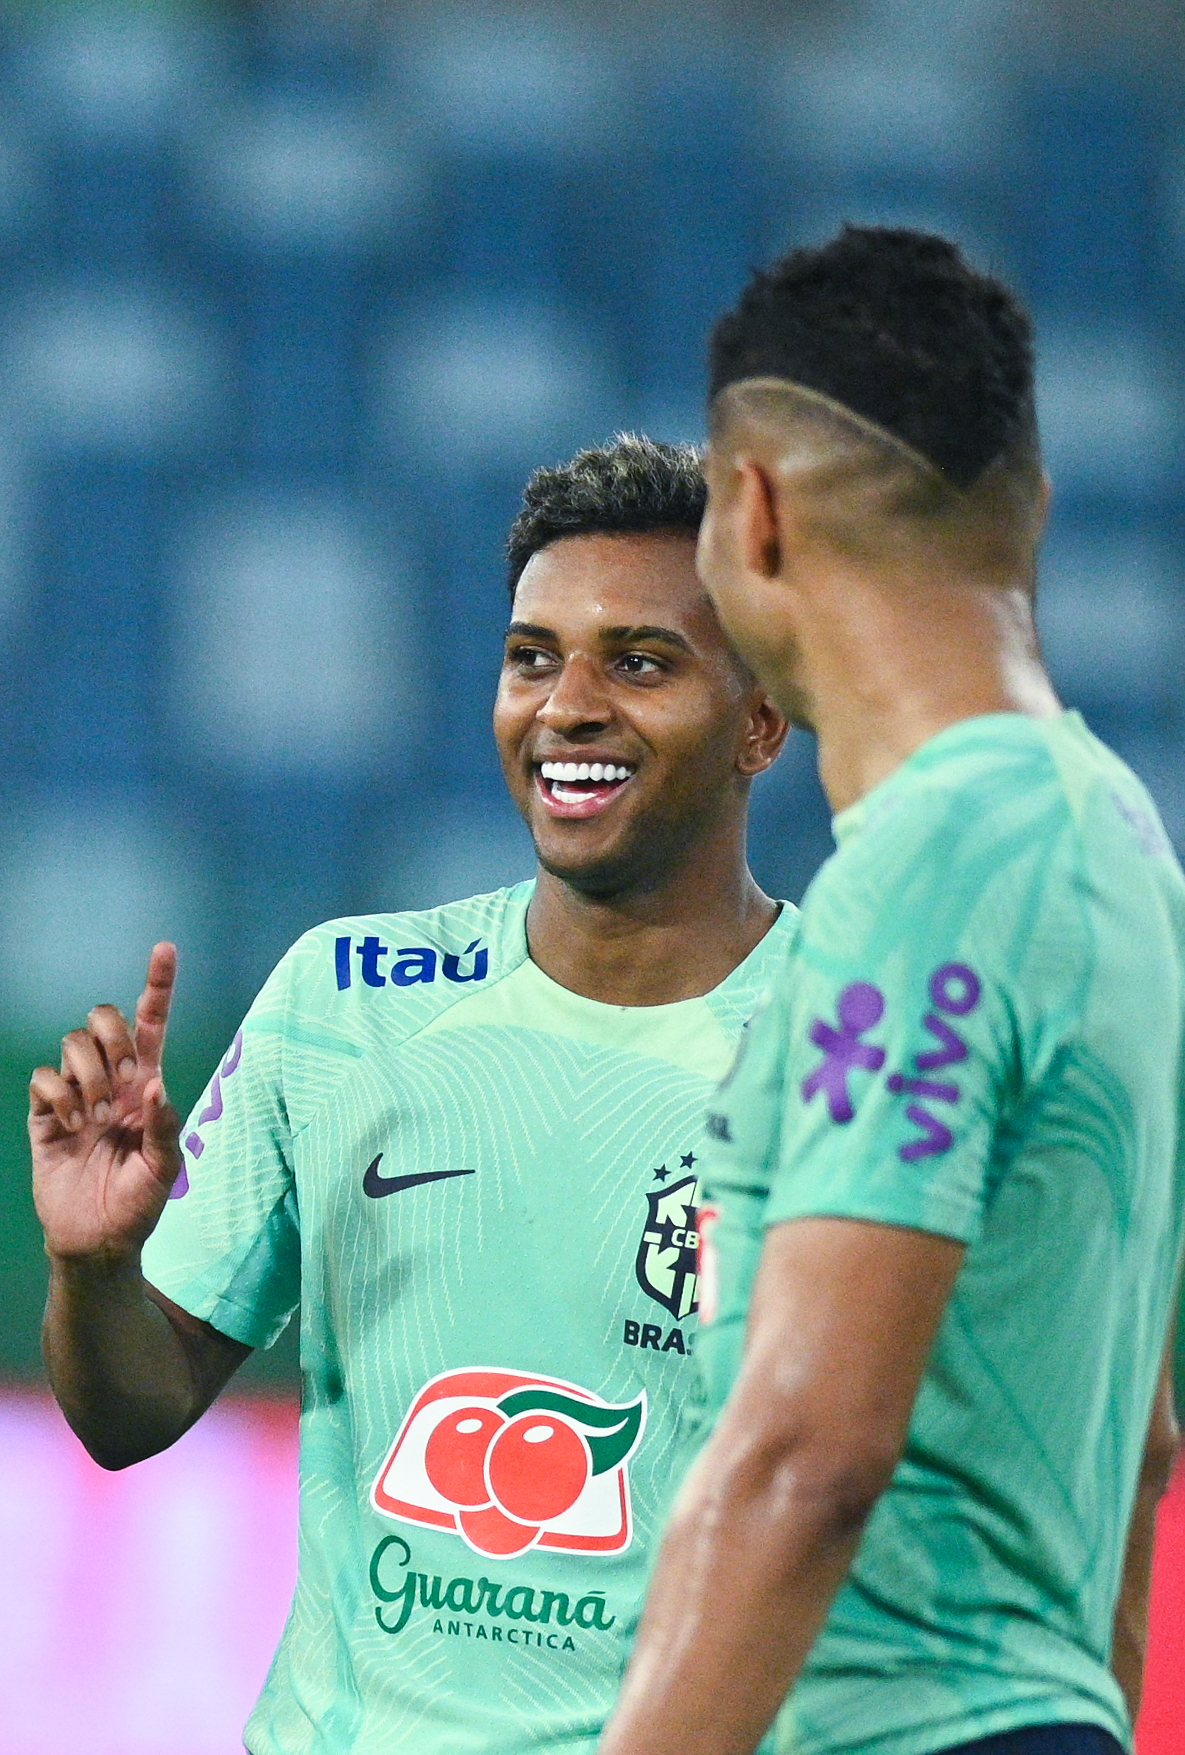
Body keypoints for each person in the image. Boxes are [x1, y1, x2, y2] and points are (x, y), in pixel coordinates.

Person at [31, 433, 795, 1751]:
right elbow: (128, 1412)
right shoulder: (347, 1000)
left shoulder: (855, 1051)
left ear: (765, 718)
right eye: (532, 656)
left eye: (641, 660)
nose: (567, 704)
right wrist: (96, 1267)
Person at [599, 227, 1185, 1755]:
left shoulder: (940, 857)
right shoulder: (1122, 847)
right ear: (1031, 514)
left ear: (756, 512)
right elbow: (1143, 1452)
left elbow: (807, 1455)